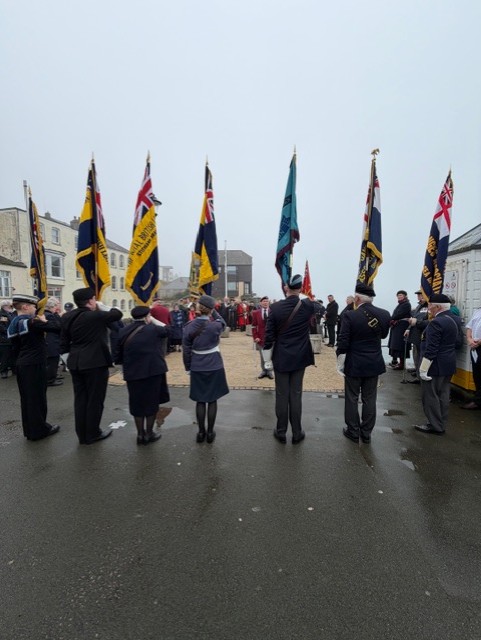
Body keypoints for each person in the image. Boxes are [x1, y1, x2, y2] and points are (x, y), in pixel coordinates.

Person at [263, 274, 322, 444]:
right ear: (301, 289)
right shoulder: (307, 305)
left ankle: (281, 431)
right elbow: (322, 309)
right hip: (300, 356)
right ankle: (297, 432)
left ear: (286, 288)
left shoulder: (275, 307)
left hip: (282, 355)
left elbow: (269, 336)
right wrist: (309, 298)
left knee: (282, 395)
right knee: (296, 394)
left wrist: (267, 354)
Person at [60, 287, 123, 445]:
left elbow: (63, 342)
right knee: (95, 399)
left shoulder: (67, 316)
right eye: (94, 299)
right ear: (90, 301)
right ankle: (93, 433)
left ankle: (82, 434)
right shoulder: (95, 315)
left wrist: (67, 361)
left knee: (80, 399)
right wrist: (101, 306)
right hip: (95, 363)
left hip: (75, 362)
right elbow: (117, 314)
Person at [336, 284, 391, 444]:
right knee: (370, 398)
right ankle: (366, 433)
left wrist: (340, 362)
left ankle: (353, 431)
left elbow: (343, 341)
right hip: (374, 362)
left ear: (357, 298)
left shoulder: (350, 315)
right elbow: (383, 335)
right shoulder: (385, 314)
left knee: (352, 398)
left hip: (354, 362)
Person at [7, 294, 61, 441]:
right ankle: (40, 430)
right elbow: (58, 327)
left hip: (22, 363)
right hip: (34, 364)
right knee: (37, 399)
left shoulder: (15, 322)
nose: (35, 310)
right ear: (25, 307)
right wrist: (45, 319)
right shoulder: (32, 322)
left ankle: (30, 431)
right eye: (33, 306)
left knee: (27, 400)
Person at [114, 306, 170, 445]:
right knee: (152, 403)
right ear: (147, 317)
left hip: (133, 372)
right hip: (153, 371)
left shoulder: (123, 331)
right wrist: (154, 320)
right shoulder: (154, 329)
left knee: (137, 403)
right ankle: (149, 434)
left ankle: (140, 434)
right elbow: (171, 330)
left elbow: (117, 354)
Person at [182, 294, 229, 444]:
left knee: (200, 401)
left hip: (197, 365)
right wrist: (213, 311)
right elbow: (223, 322)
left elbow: (186, 350)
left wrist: (188, 367)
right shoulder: (216, 325)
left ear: (198, 308)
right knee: (212, 400)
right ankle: (210, 433)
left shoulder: (189, 326)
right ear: (211, 310)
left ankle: (201, 432)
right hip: (214, 364)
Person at [414, 294, 459, 435]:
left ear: (438, 307)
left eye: (430, 305)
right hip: (448, 363)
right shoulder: (453, 319)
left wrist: (423, 369)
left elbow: (431, 348)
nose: (429, 308)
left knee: (430, 396)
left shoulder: (436, 322)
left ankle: (434, 426)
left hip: (434, 365)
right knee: (443, 395)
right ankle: (441, 423)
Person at [404, 290, 429, 384]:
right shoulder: (419, 306)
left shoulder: (429, 307)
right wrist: (408, 328)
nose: (419, 297)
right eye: (418, 295)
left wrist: (417, 322)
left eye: (421, 295)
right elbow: (413, 319)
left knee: (422, 358)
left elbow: (428, 322)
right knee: (416, 357)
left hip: (423, 336)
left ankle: (421, 377)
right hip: (415, 336)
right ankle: (418, 376)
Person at [460, 306, 481, 410]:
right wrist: (469, 338)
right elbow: (469, 326)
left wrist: (479, 342)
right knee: (477, 374)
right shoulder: (477, 311)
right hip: (475, 346)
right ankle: (478, 400)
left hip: (478, 344)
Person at [388, 290, 411, 369]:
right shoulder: (400, 304)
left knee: (401, 345)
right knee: (395, 345)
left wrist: (391, 318)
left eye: (401, 295)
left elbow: (399, 314)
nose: (399, 296)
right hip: (398, 326)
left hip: (402, 327)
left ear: (405, 296)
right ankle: (396, 361)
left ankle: (401, 364)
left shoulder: (406, 304)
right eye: (398, 295)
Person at [251, 296, 273, 379]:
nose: (265, 302)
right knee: (262, 355)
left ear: (269, 302)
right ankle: (264, 370)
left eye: (267, 301)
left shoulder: (273, 312)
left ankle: (269, 371)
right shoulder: (256, 313)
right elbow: (253, 326)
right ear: (260, 303)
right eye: (264, 301)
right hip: (260, 338)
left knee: (270, 355)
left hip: (271, 338)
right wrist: (255, 337)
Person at [44, 297, 63, 386]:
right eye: (56, 305)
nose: (57, 307)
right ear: (52, 306)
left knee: (53, 361)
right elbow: (58, 326)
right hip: (51, 342)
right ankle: (50, 380)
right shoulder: (49, 315)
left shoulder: (49, 314)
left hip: (51, 341)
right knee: (52, 362)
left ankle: (52, 376)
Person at [0, 299, 14, 379]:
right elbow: (2, 327)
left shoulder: (10, 314)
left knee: (12, 356)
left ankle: (13, 370)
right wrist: (10, 332)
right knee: (5, 357)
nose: (11, 307)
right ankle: (3, 372)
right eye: (10, 306)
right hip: (4, 339)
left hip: (11, 338)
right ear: (5, 306)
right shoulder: (2, 315)